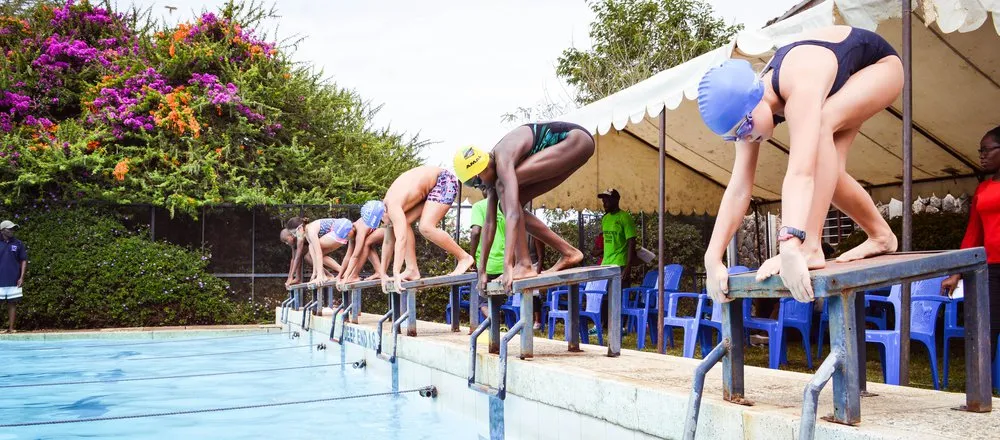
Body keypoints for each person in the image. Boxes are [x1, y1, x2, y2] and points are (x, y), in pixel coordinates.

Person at [697, 25, 902, 303]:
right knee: (831, 173)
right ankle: (881, 236)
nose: (745, 138)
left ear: (754, 96)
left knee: (822, 128)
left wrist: (793, 244)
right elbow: (738, 189)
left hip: (881, 68)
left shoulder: (798, 82)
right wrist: (713, 257)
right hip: (841, 83)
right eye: (734, 136)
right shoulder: (749, 117)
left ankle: (813, 247)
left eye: (744, 128)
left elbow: (800, 173)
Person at [454, 121, 595, 291]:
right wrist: (481, 270)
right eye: (473, 185)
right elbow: (489, 224)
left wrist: (508, 265)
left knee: (505, 193)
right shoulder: (492, 177)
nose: (479, 186)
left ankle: (524, 264)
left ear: (482, 169)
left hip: (576, 141)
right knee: (506, 201)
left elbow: (512, 215)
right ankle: (569, 252)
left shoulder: (503, 160)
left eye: (476, 181)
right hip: (573, 147)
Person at [941, 125, 1000, 346]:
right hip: (990, 269)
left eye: (987, 150)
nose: (982, 156)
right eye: (980, 151)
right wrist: (957, 273)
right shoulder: (983, 189)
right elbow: (973, 234)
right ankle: (983, 381)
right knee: (987, 331)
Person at [380, 166, 475, 292]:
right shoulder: (385, 208)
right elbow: (387, 242)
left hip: (443, 181)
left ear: (383, 213)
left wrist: (396, 272)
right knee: (406, 223)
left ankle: (464, 257)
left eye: (381, 223)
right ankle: (412, 269)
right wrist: (382, 274)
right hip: (429, 187)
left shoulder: (393, 208)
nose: (383, 226)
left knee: (426, 227)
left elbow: (401, 239)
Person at [281, 217, 351, 286]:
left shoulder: (311, 230)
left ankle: (322, 276)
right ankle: (343, 273)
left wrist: (319, 277)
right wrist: (314, 274)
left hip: (342, 226)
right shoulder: (307, 234)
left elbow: (318, 253)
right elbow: (313, 256)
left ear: (300, 228)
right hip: (341, 229)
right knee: (311, 248)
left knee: (314, 248)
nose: (295, 236)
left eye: (294, 233)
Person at [337, 200, 388, 284]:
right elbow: (348, 256)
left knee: (366, 243)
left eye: (346, 236)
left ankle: (354, 275)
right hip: (383, 227)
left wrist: (346, 277)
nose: (346, 238)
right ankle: (379, 272)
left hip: (389, 229)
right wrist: (339, 276)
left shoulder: (360, 232)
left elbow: (355, 256)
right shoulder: (352, 230)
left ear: (350, 230)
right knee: (368, 244)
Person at [598, 188, 637, 287]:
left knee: (619, 297)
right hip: (606, 263)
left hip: (620, 264)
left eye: (607, 201)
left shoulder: (625, 217)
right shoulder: (605, 218)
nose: (604, 204)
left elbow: (631, 242)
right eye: (603, 201)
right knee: (606, 298)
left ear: (616, 200)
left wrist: (628, 267)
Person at [0, 220, 26, 333]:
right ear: (2, 230)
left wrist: (21, 277)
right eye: (9, 229)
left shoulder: (18, 243)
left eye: (13, 229)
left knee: (12, 304)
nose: (12, 231)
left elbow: (23, 260)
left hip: (14, 279)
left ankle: (11, 328)